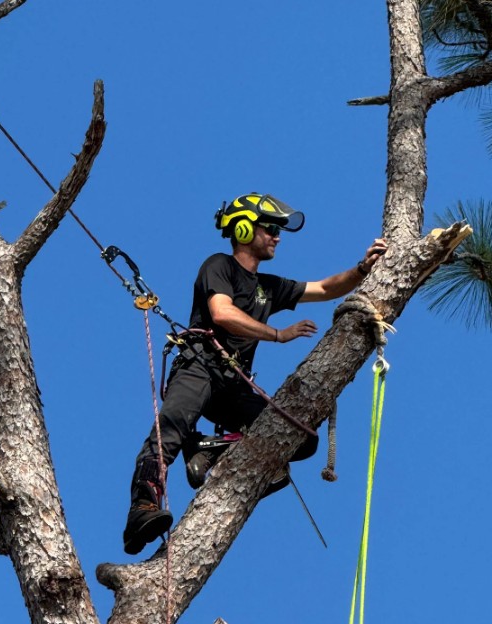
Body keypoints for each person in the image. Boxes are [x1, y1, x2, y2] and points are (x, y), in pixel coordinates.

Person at [123, 193, 387, 555]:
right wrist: (277, 334)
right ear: (244, 228)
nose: (277, 236)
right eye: (271, 228)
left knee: (303, 437)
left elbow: (325, 288)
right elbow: (222, 313)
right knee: (169, 429)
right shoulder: (219, 266)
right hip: (200, 366)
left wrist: (363, 268)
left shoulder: (268, 287)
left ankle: (210, 449)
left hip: (233, 383)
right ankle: (142, 509)